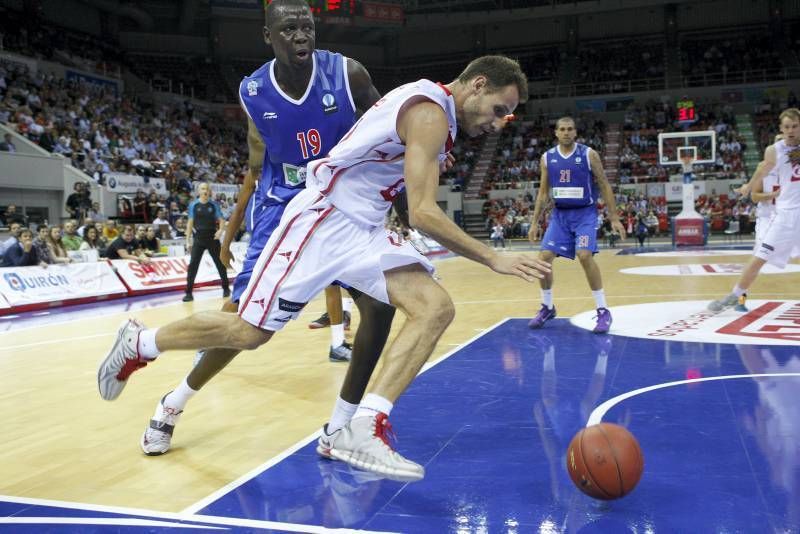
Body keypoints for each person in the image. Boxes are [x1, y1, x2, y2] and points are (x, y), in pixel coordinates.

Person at [97, 54, 550, 481]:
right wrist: (495, 258)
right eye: (498, 110)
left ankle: (360, 426)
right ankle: (141, 341)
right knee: (248, 333)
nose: (497, 123)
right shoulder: (431, 113)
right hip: (322, 221)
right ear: (478, 85)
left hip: (363, 228)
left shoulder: (438, 114)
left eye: (506, 117)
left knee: (434, 308)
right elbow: (424, 213)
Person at [136, 0, 397, 457]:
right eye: (289, 28)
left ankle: (339, 427)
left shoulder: (347, 75)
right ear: (268, 35)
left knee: (379, 307)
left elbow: (389, 131)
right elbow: (256, 169)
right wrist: (230, 229)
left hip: (340, 208)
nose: (301, 35)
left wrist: (404, 195)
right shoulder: (253, 92)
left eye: (307, 27)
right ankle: (173, 403)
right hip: (280, 211)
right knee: (243, 325)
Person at [527, 116, 626, 333]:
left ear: (575, 132)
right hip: (560, 215)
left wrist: (614, 217)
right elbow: (543, 193)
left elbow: (604, 184)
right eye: (562, 129)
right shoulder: (547, 158)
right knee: (543, 260)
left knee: (584, 255)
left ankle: (603, 310)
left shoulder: (589, 154)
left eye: (570, 129)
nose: (566, 133)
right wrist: (534, 223)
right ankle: (547, 306)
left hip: (584, 214)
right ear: (556, 132)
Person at [708, 108, 800, 311]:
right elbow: (761, 171)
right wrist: (747, 188)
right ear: (780, 129)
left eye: (794, 126)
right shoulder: (774, 151)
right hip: (783, 215)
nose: (791, 130)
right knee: (759, 256)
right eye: (786, 127)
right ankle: (737, 295)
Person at [183, 182, 230, 301]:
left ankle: (226, 288)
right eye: (203, 189)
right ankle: (188, 293)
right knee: (193, 264)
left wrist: (220, 231)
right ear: (199, 191)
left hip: (212, 238)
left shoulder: (214, 205)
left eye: (207, 189)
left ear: (209, 191)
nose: (205, 191)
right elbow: (190, 223)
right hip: (198, 238)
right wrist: (187, 241)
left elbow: (222, 220)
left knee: (220, 263)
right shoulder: (193, 205)